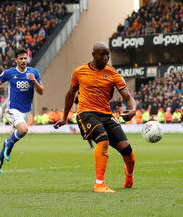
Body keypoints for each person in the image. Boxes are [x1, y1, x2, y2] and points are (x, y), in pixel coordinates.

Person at [54, 41, 136, 193]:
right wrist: (65, 117)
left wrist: (132, 110)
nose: (106, 57)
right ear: (93, 55)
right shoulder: (79, 72)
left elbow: (128, 96)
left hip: (106, 115)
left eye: (108, 54)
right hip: (86, 113)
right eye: (102, 54)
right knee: (103, 140)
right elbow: (70, 95)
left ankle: (129, 175)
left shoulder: (113, 74)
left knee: (128, 151)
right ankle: (99, 184)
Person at [0, 47, 44, 173]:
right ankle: (8, 147)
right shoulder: (9, 73)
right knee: (23, 130)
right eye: (21, 58)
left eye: (25, 58)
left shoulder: (34, 72)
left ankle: (0, 156)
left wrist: (34, 81)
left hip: (26, 111)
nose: (23, 61)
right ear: (15, 59)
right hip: (13, 109)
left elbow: (41, 91)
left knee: (13, 135)